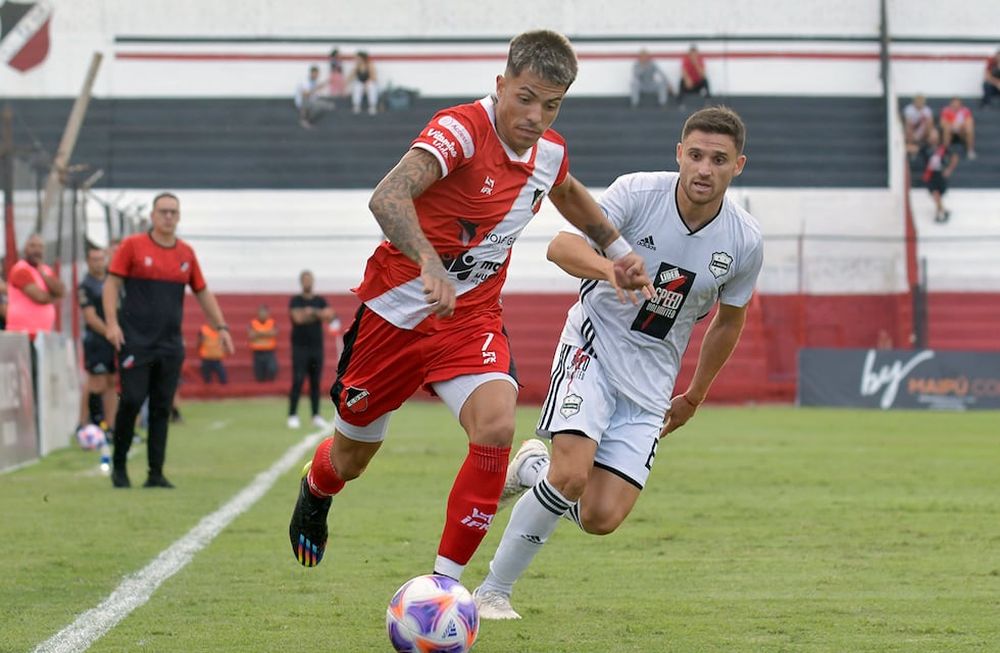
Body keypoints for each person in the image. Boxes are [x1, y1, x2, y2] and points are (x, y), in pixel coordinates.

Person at [287, 29, 652, 581]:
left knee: (498, 426)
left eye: (551, 105)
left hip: (470, 319)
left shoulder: (549, 152)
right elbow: (387, 196)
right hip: (394, 317)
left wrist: (619, 251)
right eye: (525, 98)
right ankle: (317, 488)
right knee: (350, 460)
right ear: (501, 85)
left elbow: (566, 191)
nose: (536, 116)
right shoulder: (459, 130)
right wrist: (429, 263)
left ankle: (444, 586)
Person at [472, 106, 764, 620]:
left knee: (601, 516)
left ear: (737, 165)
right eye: (696, 155)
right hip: (593, 349)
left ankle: (533, 468)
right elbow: (561, 247)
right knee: (571, 476)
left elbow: (728, 321)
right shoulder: (636, 193)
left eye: (718, 160)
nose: (704, 169)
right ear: (679, 154)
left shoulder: (744, 240)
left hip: (651, 385)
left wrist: (695, 395)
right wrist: (610, 269)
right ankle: (493, 592)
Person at [103, 192, 234, 489]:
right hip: (135, 341)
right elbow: (112, 283)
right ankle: (119, 466)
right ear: (152, 215)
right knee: (132, 400)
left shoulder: (186, 253)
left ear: (179, 217)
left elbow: (202, 291)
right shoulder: (132, 246)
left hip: (170, 344)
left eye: (173, 212)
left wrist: (222, 327)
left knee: (162, 407)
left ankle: (155, 473)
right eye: (163, 211)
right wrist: (111, 323)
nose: (168, 216)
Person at [287, 270, 336, 429]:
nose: (307, 282)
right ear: (301, 282)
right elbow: (298, 318)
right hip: (300, 348)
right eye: (305, 280)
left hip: (316, 348)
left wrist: (312, 312)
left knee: (315, 382)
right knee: (298, 380)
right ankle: (293, 415)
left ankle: (316, 415)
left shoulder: (320, 300)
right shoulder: (296, 300)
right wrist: (318, 315)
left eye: (309, 279)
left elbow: (330, 316)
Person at [77, 245, 118, 430]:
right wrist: (110, 332)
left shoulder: (112, 280)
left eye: (101, 259)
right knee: (96, 383)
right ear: (88, 262)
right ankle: (89, 424)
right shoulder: (86, 286)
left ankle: (110, 425)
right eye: (94, 259)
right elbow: (91, 318)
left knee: (111, 382)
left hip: (111, 340)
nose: (98, 263)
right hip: (96, 341)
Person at [5, 233, 65, 338]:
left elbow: (61, 290)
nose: (37, 250)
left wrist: (43, 274)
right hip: (21, 333)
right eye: (32, 246)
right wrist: (56, 296)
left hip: (42, 334)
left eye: (40, 246)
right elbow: (40, 297)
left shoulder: (46, 270)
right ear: (25, 249)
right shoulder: (20, 269)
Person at [922, 127, 960, 223]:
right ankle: (942, 212)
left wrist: (949, 169)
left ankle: (940, 212)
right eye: (932, 134)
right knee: (935, 194)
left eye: (935, 134)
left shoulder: (943, 147)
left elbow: (955, 157)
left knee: (938, 195)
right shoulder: (925, 147)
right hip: (930, 175)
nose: (933, 136)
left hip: (940, 174)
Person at [295, 65, 334, 129]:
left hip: (312, 102)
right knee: (306, 100)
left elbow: (315, 96)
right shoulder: (303, 81)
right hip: (302, 103)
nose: (316, 76)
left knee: (329, 105)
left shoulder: (315, 82)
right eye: (315, 74)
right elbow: (305, 94)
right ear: (311, 73)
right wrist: (317, 87)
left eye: (317, 74)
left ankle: (308, 120)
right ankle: (304, 120)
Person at [249, 304, 279, 382]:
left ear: (268, 313)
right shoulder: (253, 323)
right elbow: (251, 335)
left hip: (269, 352)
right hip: (257, 352)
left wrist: (258, 333)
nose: (262, 315)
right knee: (259, 377)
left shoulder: (272, 322)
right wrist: (266, 333)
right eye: (261, 313)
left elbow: (274, 333)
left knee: (272, 369)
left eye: (264, 313)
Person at [903, 94, 935, 160]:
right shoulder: (909, 109)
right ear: (914, 102)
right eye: (918, 101)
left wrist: (927, 131)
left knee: (934, 134)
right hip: (912, 131)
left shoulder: (927, 110)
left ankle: (931, 150)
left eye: (921, 101)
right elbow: (908, 123)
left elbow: (931, 124)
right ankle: (911, 147)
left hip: (924, 132)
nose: (919, 103)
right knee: (908, 129)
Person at [349, 51, 379, 116]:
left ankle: (372, 106)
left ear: (362, 58)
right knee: (357, 86)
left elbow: (374, 77)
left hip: (369, 82)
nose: (357, 60)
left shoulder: (370, 65)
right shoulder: (357, 66)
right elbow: (351, 76)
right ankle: (356, 105)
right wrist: (345, 84)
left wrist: (366, 84)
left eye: (358, 58)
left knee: (371, 86)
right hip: (361, 83)